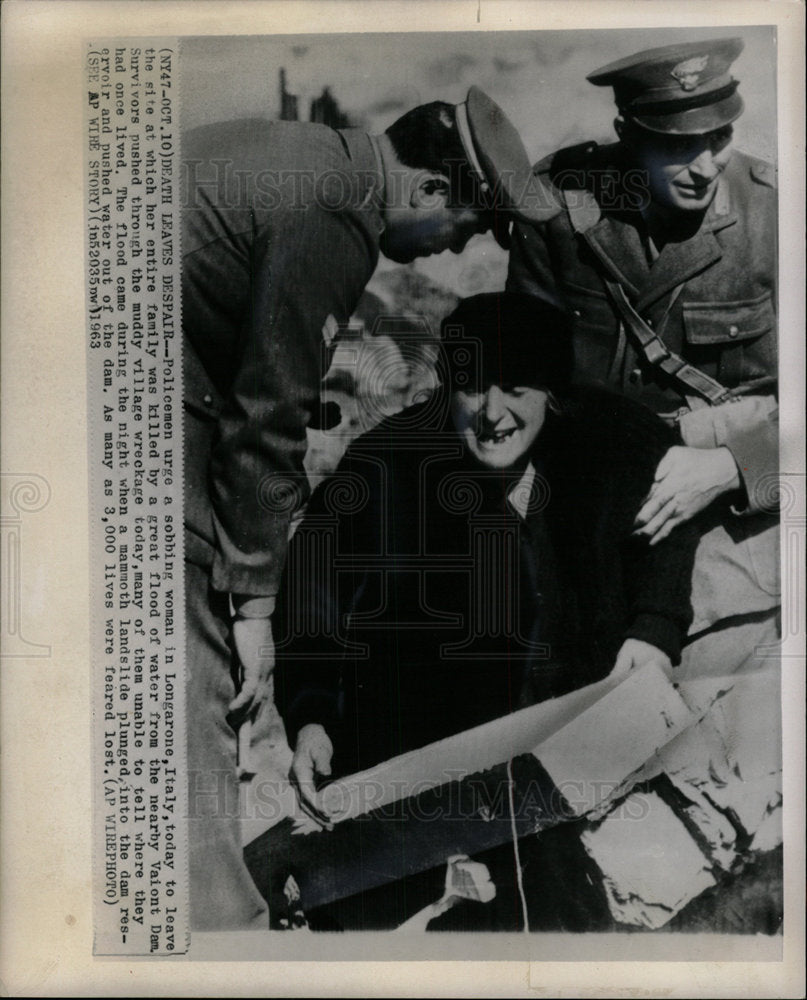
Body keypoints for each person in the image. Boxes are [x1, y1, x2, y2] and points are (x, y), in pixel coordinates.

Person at [181, 88, 560, 929]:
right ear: (429, 189)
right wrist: (252, 606)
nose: (445, 252)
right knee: (194, 706)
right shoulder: (333, 212)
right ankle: (216, 941)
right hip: (145, 435)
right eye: (462, 227)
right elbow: (271, 410)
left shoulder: (287, 152)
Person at [273, 293, 699, 928]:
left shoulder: (617, 444)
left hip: (577, 761)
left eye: (516, 389)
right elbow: (313, 589)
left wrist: (655, 630)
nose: (492, 415)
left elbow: (668, 534)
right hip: (420, 768)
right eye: (473, 390)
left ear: (552, 392)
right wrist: (310, 719)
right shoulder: (386, 464)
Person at [506, 37, 780, 682]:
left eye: (719, 140)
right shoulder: (559, 210)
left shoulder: (775, 216)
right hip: (590, 516)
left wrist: (731, 466)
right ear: (627, 134)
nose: (705, 166)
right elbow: (523, 374)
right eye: (677, 145)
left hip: (735, 527)